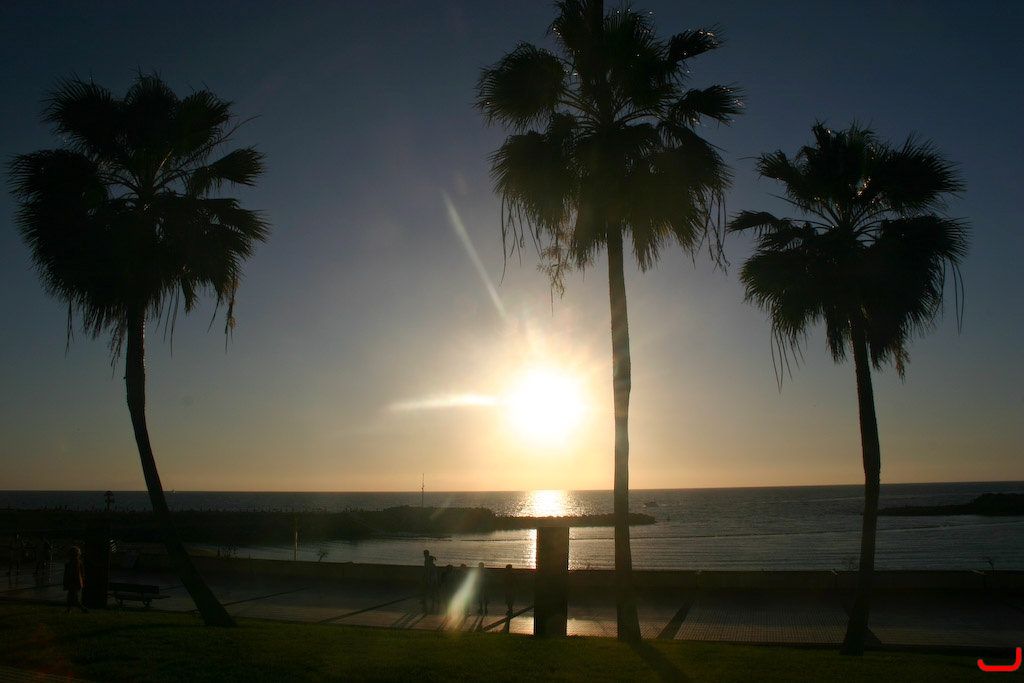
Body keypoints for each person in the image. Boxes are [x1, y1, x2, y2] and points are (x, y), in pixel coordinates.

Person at [63, 546, 88, 614]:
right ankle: (69, 610)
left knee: (72, 597)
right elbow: (82, 573)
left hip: (73, 582)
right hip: (77, 582)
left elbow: (72, 573)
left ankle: (82, 609)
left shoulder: (72, 563)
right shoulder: (78, 562)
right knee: (71, 597)